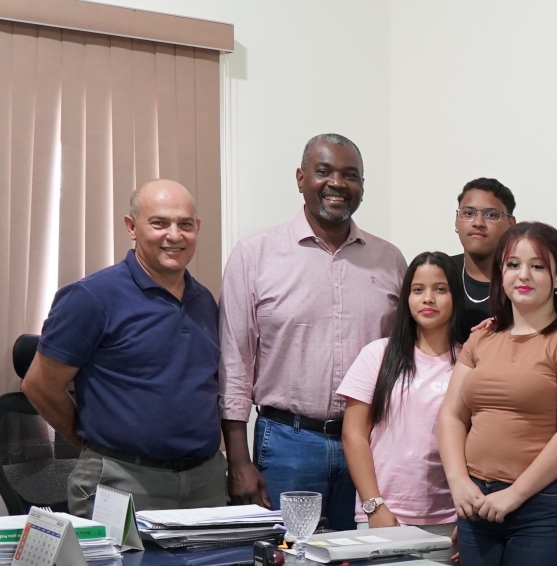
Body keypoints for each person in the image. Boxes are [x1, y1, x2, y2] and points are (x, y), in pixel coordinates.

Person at [220, 134, 404, 529]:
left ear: (362, 186)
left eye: (350, 175)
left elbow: (403, 358)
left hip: (369, 442)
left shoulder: (389, 260)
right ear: (301, 178)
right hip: (288, 444)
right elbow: (235, 361)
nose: (337, 183)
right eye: (324, 171)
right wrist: (237, 459)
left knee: (365, 558)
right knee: (286, 559)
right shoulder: (254, 255)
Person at [26, 179, 226, 516]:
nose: (174, 235)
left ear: (197, 229)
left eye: (185, 224)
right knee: (120, 557)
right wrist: (93, 445)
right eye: (159, 223)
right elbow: (39, 385)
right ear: (132, 227)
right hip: (121, 481)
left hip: (205, 482)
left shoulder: (204, 300)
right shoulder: (91, 298)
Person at [437, 222, 557, 566]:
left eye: (537, 266)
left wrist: (515, 494)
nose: (523, 275)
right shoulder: (482, 338)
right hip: (476, 503)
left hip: (543, 507)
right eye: (513, 265)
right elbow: (451, 416)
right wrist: (458, 482)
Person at [337, 252, 465, 535]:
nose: (428, 299)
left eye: (440, 289)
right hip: (383, 514)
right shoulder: (377, 354)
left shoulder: (469, 361)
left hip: (448, 517)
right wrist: (374, 505)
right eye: (418, 290)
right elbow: (353, 435)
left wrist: (465, 515)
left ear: (456, 297)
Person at [450, 177, 515, 338]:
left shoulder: (524, 279)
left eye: (491, 215)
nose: (478, 222)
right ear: (456, 221)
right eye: (468, 213)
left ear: (511, 225)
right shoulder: (440, 272)